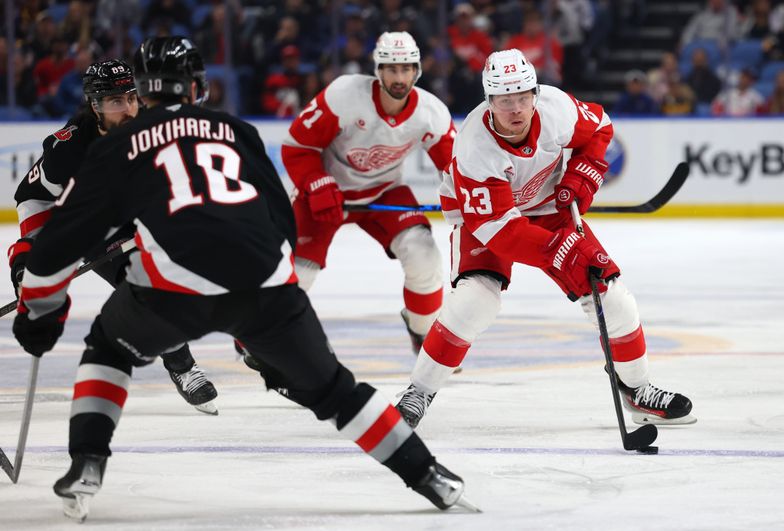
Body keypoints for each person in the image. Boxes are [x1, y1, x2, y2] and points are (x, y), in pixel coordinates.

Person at [11, 36, 472, 521]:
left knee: (107, 347)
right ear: (198, 88)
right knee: (335, 390)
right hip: (265, 286)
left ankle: (87, 461)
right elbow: (280, 218)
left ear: (143, 93)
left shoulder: (120, 145)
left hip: (174, 293)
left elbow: (61, 242)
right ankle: (429, 475)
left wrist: (39, 313)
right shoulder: (237, 130)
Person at [396, 48, 695, 429]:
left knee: (611, 296)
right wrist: (560, 252)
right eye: (505, 100)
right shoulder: (474, 148)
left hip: (550, 207)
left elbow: (601, 128)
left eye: (524, 96)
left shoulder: (556, 108)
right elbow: (502, 233)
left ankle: (638, 391)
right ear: (489, 102)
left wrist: (583, 175)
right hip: (484, 220)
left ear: (535, 93)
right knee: (476, 300)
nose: (517, 109)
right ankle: (418, 392)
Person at [7, 58, 219, 414]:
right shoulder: (69, 147)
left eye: (132, 98)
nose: (128, 109)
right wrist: (27, 263)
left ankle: (184, 364)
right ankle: (183, 366)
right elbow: (34, 199)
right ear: (95, 106)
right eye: (116, 102)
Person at [281, 31, 456, 355]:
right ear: (378, 70)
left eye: (406, 69)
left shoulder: (431, 112)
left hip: (384, 191)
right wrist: (316, 182)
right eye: (391, 68)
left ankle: (422, 330)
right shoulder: (344, 95)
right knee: (298, 274)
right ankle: (258, 340)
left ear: (417, 70)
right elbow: (297, 146)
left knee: (423, 254)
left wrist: (468, 200)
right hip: (326, 192)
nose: (399, 77)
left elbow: (456, 168)